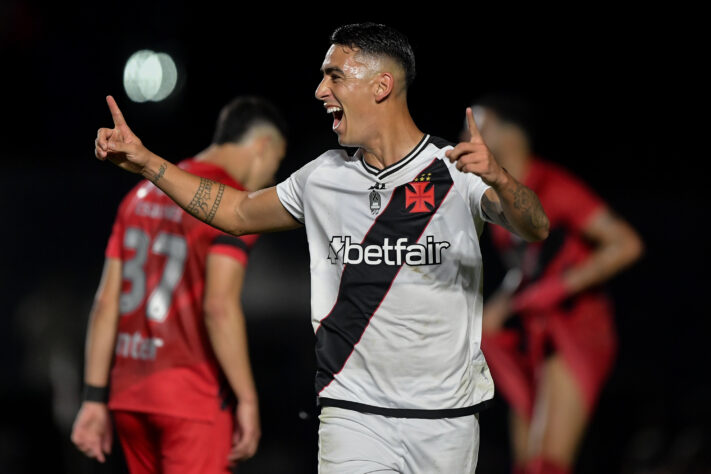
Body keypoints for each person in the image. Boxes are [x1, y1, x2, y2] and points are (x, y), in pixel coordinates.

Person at [92, 23, 550, 473]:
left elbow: (534, 226)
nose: (318, 91)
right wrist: (149, 163)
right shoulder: (323, 177)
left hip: (445, 422)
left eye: (334, 76)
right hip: (353, 415)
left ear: (381, 86)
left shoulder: (455, 169)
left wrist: (501, 180)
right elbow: (235, 213)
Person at [71, 96, 288, 473]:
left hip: (129, 395)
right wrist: (248, 399)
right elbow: (218, 307)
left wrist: (93, 397)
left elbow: (106, 302)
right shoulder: (229, 200)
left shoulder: (139, 195)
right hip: (192, 398)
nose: (272, 175)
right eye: (277, 162)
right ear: (263, 145)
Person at [467, 95, 644, 474]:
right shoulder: (502, 198)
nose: (466, 135)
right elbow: (528, 269)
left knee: (547, 463)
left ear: (510, 134)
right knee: (528, 462)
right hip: (535, 332)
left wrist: (560, 287)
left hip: (576, 328)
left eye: (478, 124)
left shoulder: (554, 185)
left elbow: (626, 244)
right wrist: (503, 306)